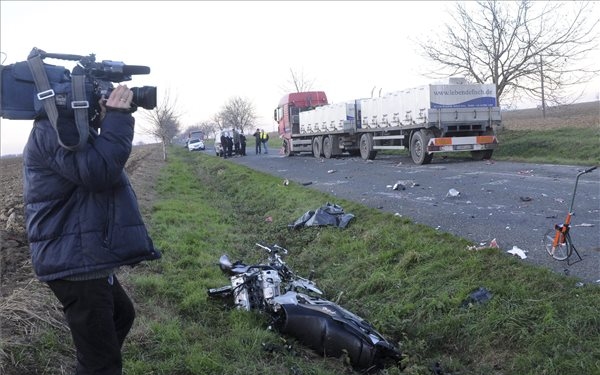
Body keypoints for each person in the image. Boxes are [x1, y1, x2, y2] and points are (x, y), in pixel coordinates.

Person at [22, 84, 161, 375]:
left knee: (121, 315)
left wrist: (102, 118)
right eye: (97, 97)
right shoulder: (55, 130)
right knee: (102, 362)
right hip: (73, 261)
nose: (103, 102)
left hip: (82, 252)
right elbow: (98, 171)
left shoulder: (68, 128)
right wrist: (117, 118)